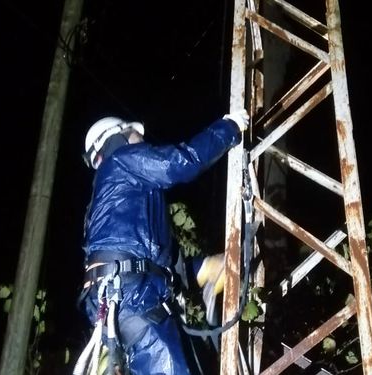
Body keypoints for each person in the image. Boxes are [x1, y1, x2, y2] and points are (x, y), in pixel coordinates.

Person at [77, 109, 249, 375]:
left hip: (125, 299)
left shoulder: (116, 201)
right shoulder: (122, 161)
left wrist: (207, 267)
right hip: (132, 298)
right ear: (116, 138)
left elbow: (157, 266)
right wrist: (228, 128)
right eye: (134, 134)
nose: (141, 140)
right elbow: (179, 163)